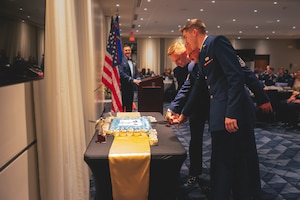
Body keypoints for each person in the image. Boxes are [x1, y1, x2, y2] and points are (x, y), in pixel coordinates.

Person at [166, 42, 272, 190]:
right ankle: (207, 177)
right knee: (200, 141)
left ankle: (234, 184)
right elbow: (190, 88)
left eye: (184, 55)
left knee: (229, 147)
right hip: (198, 106)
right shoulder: (192, 66)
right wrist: (177, 109)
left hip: (223, 106)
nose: (179, 62)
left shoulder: (218, 52)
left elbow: (245, 73)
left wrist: (262, 97)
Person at [179, 18, 262, 200]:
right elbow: (200, 86)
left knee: (237, 163)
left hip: (232, 116)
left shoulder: (217, 42)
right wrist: (184, 113)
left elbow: (235, 76)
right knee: (222, 162)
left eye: (186, 38)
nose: (186, 43)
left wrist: (231, 112)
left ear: (194, 32)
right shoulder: (204, 54)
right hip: (220, 117)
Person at [118, 44, 141, 112]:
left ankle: (129, 119)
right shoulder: (120, 61)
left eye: (129, 50)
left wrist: (138, 79)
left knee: (129, 106)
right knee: (123, 106)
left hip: (131, 88)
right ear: (123, 51)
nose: (128, 51)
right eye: (126, 50)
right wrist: (132, 80)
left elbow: (136, 73)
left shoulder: (133, 62)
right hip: (124, 88)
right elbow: (121, 73)